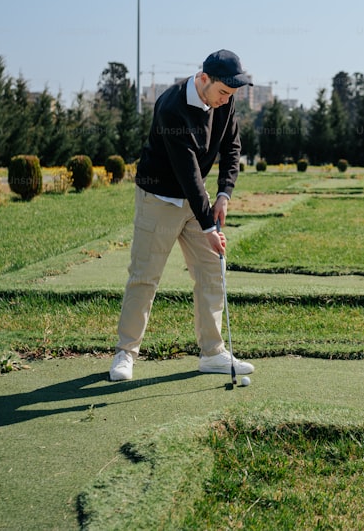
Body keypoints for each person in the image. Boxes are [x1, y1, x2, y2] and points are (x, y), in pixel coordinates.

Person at [109, 49, 255, 382]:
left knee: (211, 272)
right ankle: (125, 353)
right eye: (222, 93)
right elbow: (186, 171)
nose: (225, 100)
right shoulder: (171, 106)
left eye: (230, 95)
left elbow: (232, 146)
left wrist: (223, 194)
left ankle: (213, 353)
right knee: (145, 277)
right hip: (158, 197)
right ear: (204, 79)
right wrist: (208, 224)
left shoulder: (223, 98)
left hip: (195, 198)